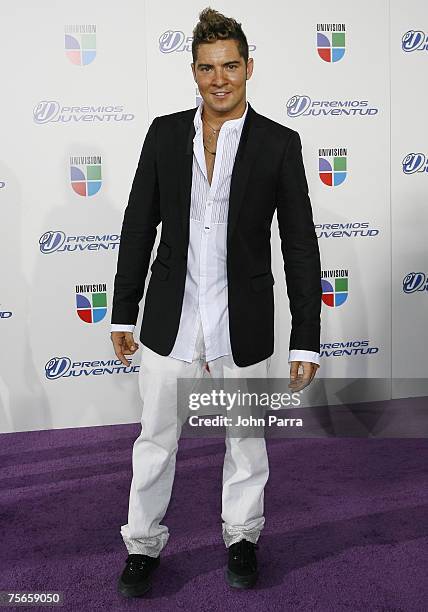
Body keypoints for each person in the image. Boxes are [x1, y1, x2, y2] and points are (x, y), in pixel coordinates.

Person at [110, 7, 321, 597]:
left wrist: (306, 334)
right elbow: (137, 228)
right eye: (207, 68)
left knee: (245, 440)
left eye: (231, 65)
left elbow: (300, 246)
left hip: (243, 321)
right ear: (194, 72)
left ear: (249, 67)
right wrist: (124, 310)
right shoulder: (162, 133)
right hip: (170, 322)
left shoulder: (281, 143)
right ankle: (142, 546)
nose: (219, 78)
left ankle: (243, 538)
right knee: (154, 440)